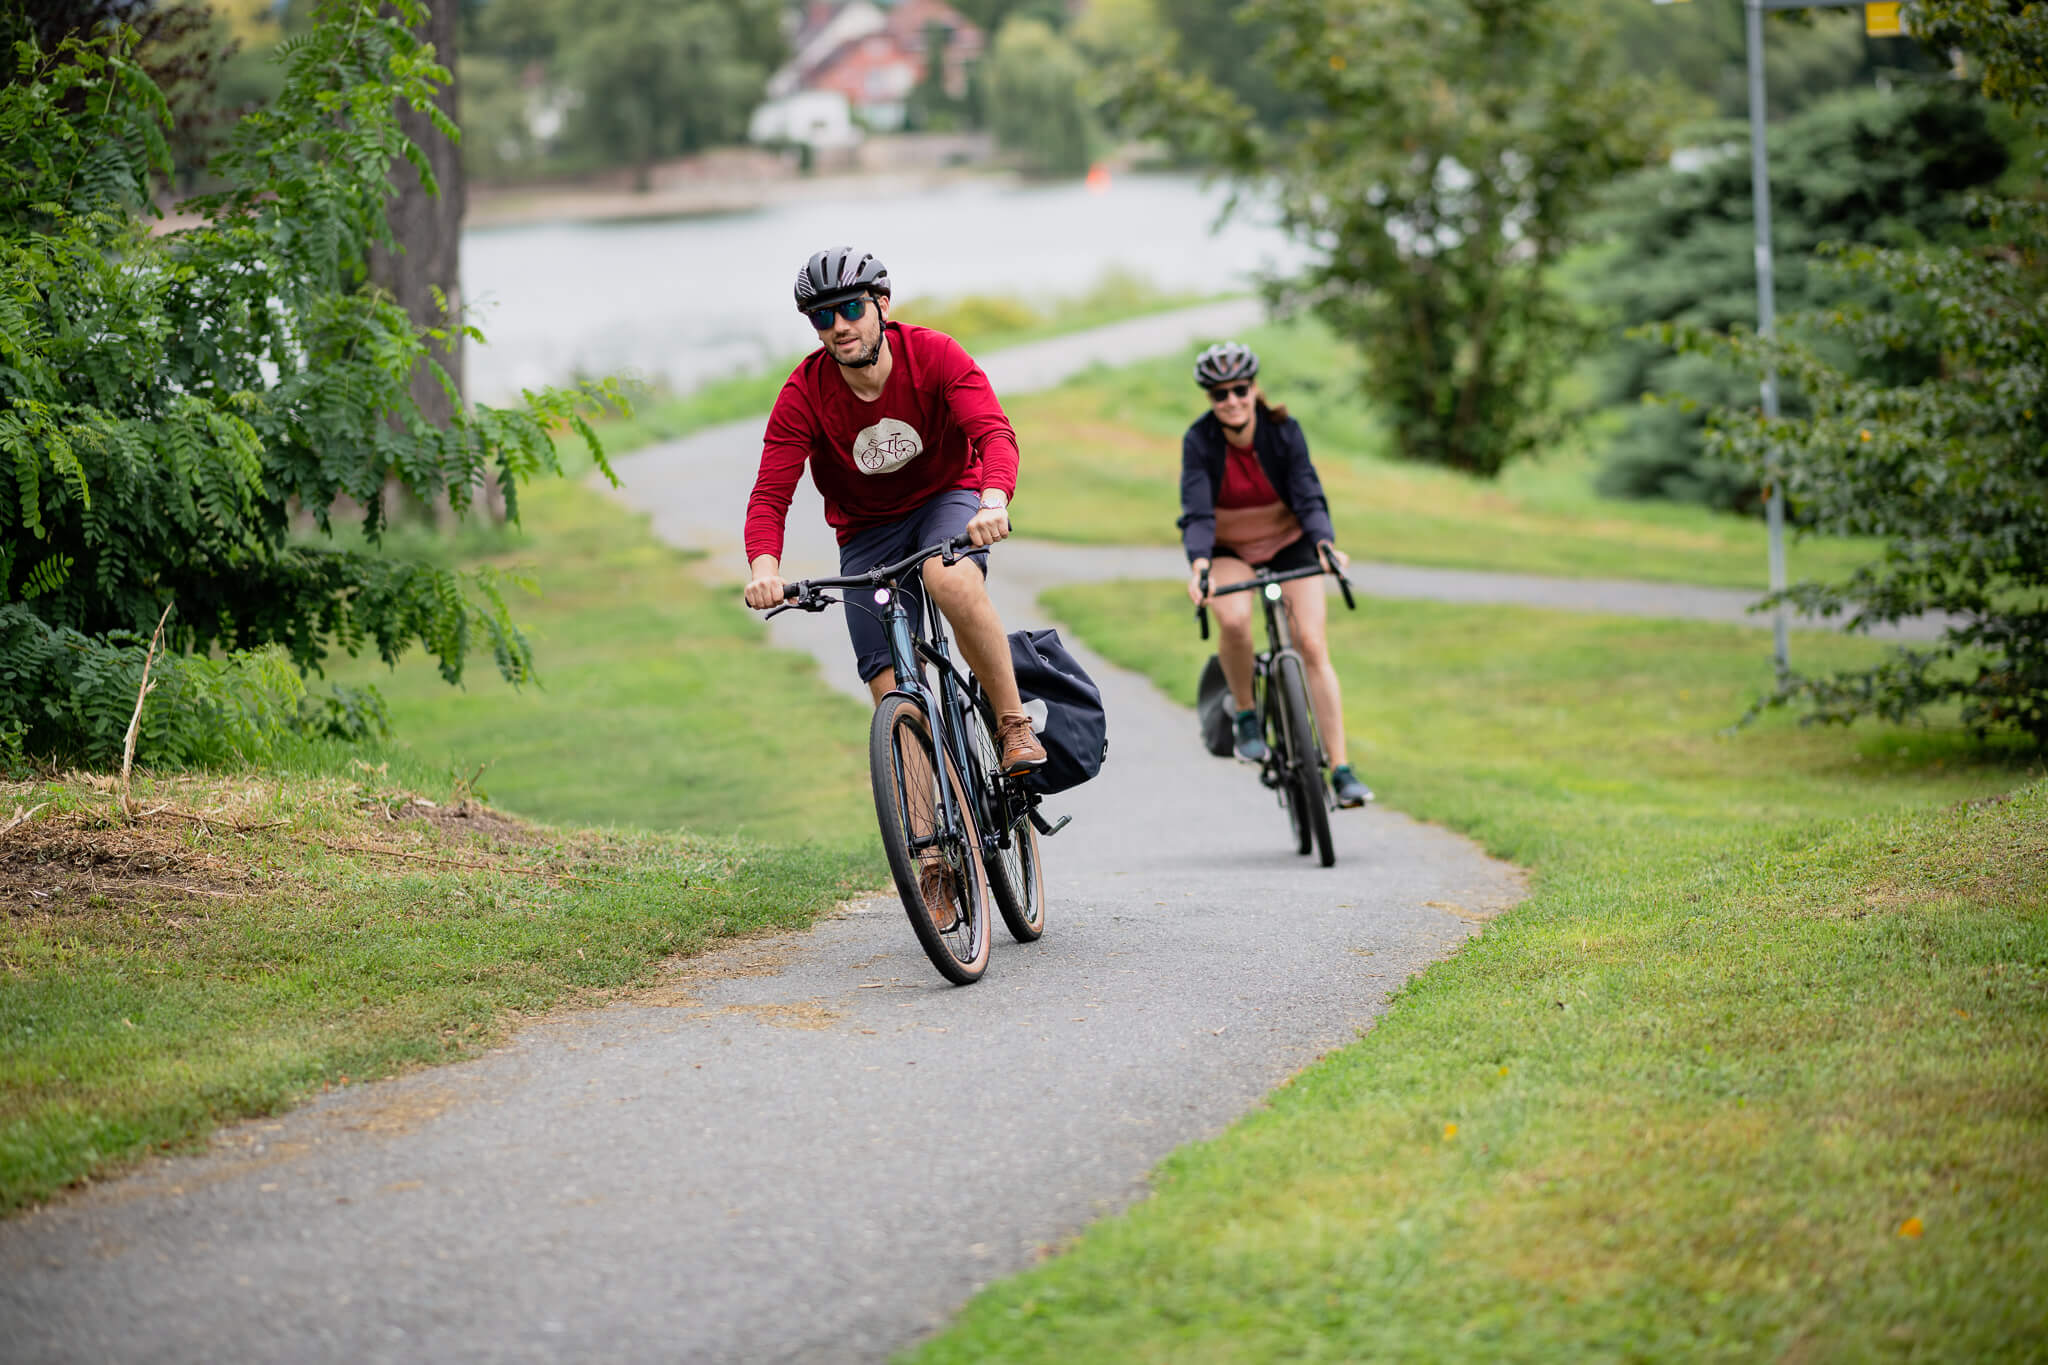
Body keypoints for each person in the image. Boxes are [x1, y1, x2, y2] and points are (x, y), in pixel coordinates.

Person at [742, 246, 1047, 782]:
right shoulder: (803, 395)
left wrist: (993, 500)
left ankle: (1012, 723)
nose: (839, 325)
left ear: (882, 304)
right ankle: (931, 848)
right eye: (822, 316)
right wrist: (764, 569)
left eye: (851, 309)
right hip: (865, 531)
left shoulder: (935, 355)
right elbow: (771, 495)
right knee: (891, 689)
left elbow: (994, 434)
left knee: (949, 578)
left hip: (946, 498)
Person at [1178, 341, 1373, 808]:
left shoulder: (1285, 432)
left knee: (1311, 643)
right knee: (1234, 620)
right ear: (1210, 399)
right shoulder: (1199, 441)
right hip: (1229, 548)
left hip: (1290, 544)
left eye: (1240, 390)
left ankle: (1341, 769)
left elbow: (1308, 494)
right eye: (1219, 394)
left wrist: (1324, 543)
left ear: (1254, 389)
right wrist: (1200, 564)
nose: (1231, 401)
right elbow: (1199, 512)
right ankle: (1246, 713)